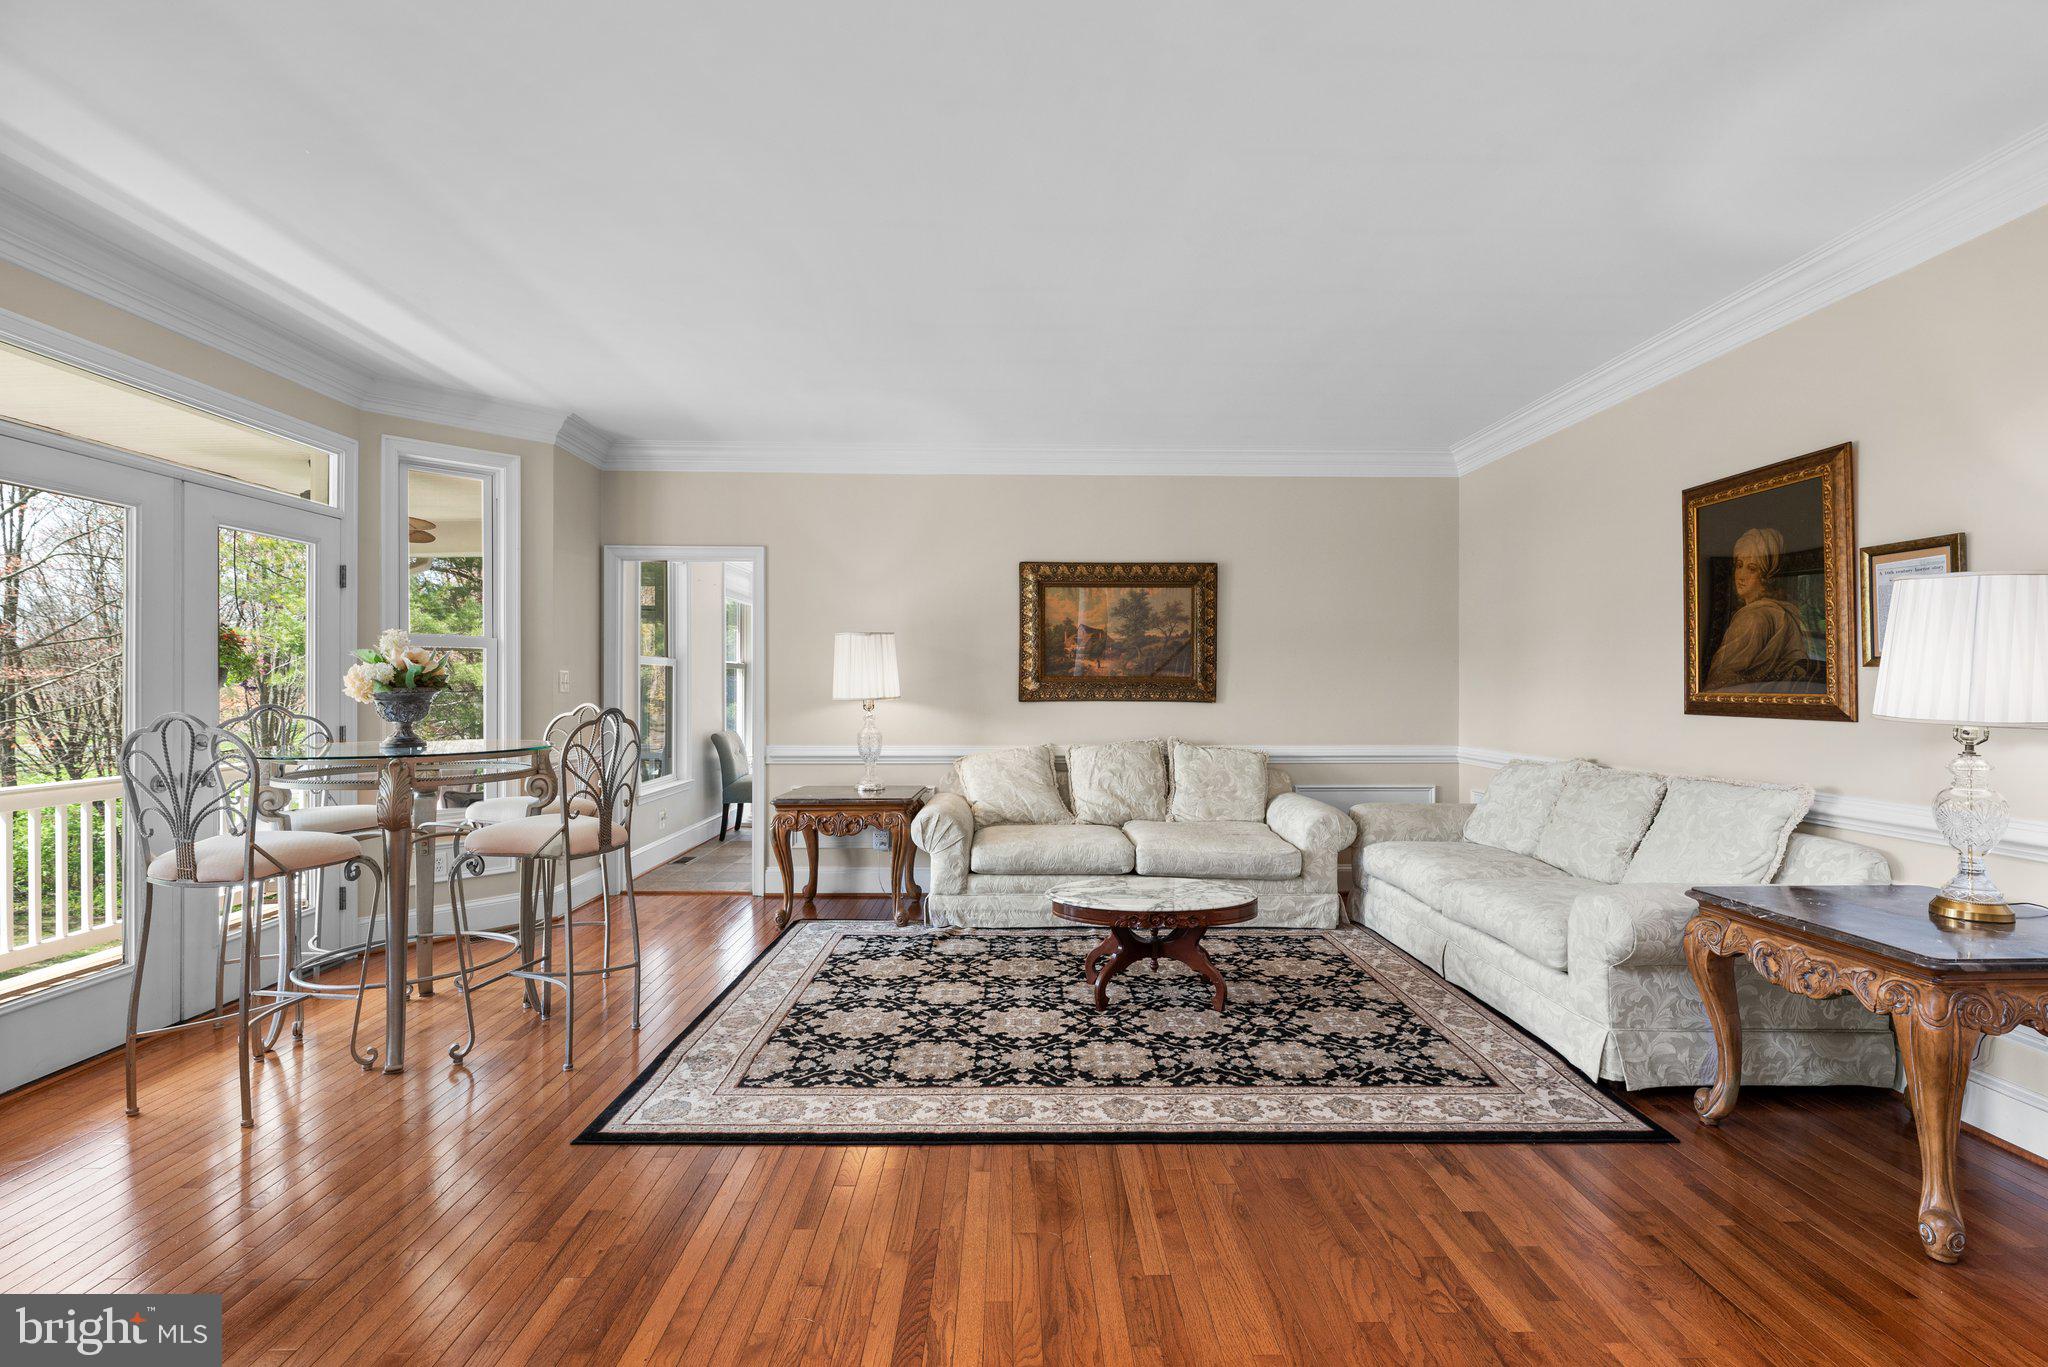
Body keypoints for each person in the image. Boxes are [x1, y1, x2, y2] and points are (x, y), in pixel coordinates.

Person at [1703, 526, 1817, 691]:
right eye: (1739, 565)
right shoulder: (1782, 612)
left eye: (1752, 568)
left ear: (1766, 575)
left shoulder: (1752, 617)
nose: (1741, 575)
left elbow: (1718, 684)